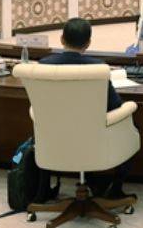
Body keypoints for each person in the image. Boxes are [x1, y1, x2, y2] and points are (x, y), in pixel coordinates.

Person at [39, 18, 133, 199]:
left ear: (61, 39)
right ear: (88, 43)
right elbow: (115, 106)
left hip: (55, 139)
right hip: (94, 141)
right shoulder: (97, 68)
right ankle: (114, 190)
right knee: (130, 125)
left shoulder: (44, 65)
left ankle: (44, 189)